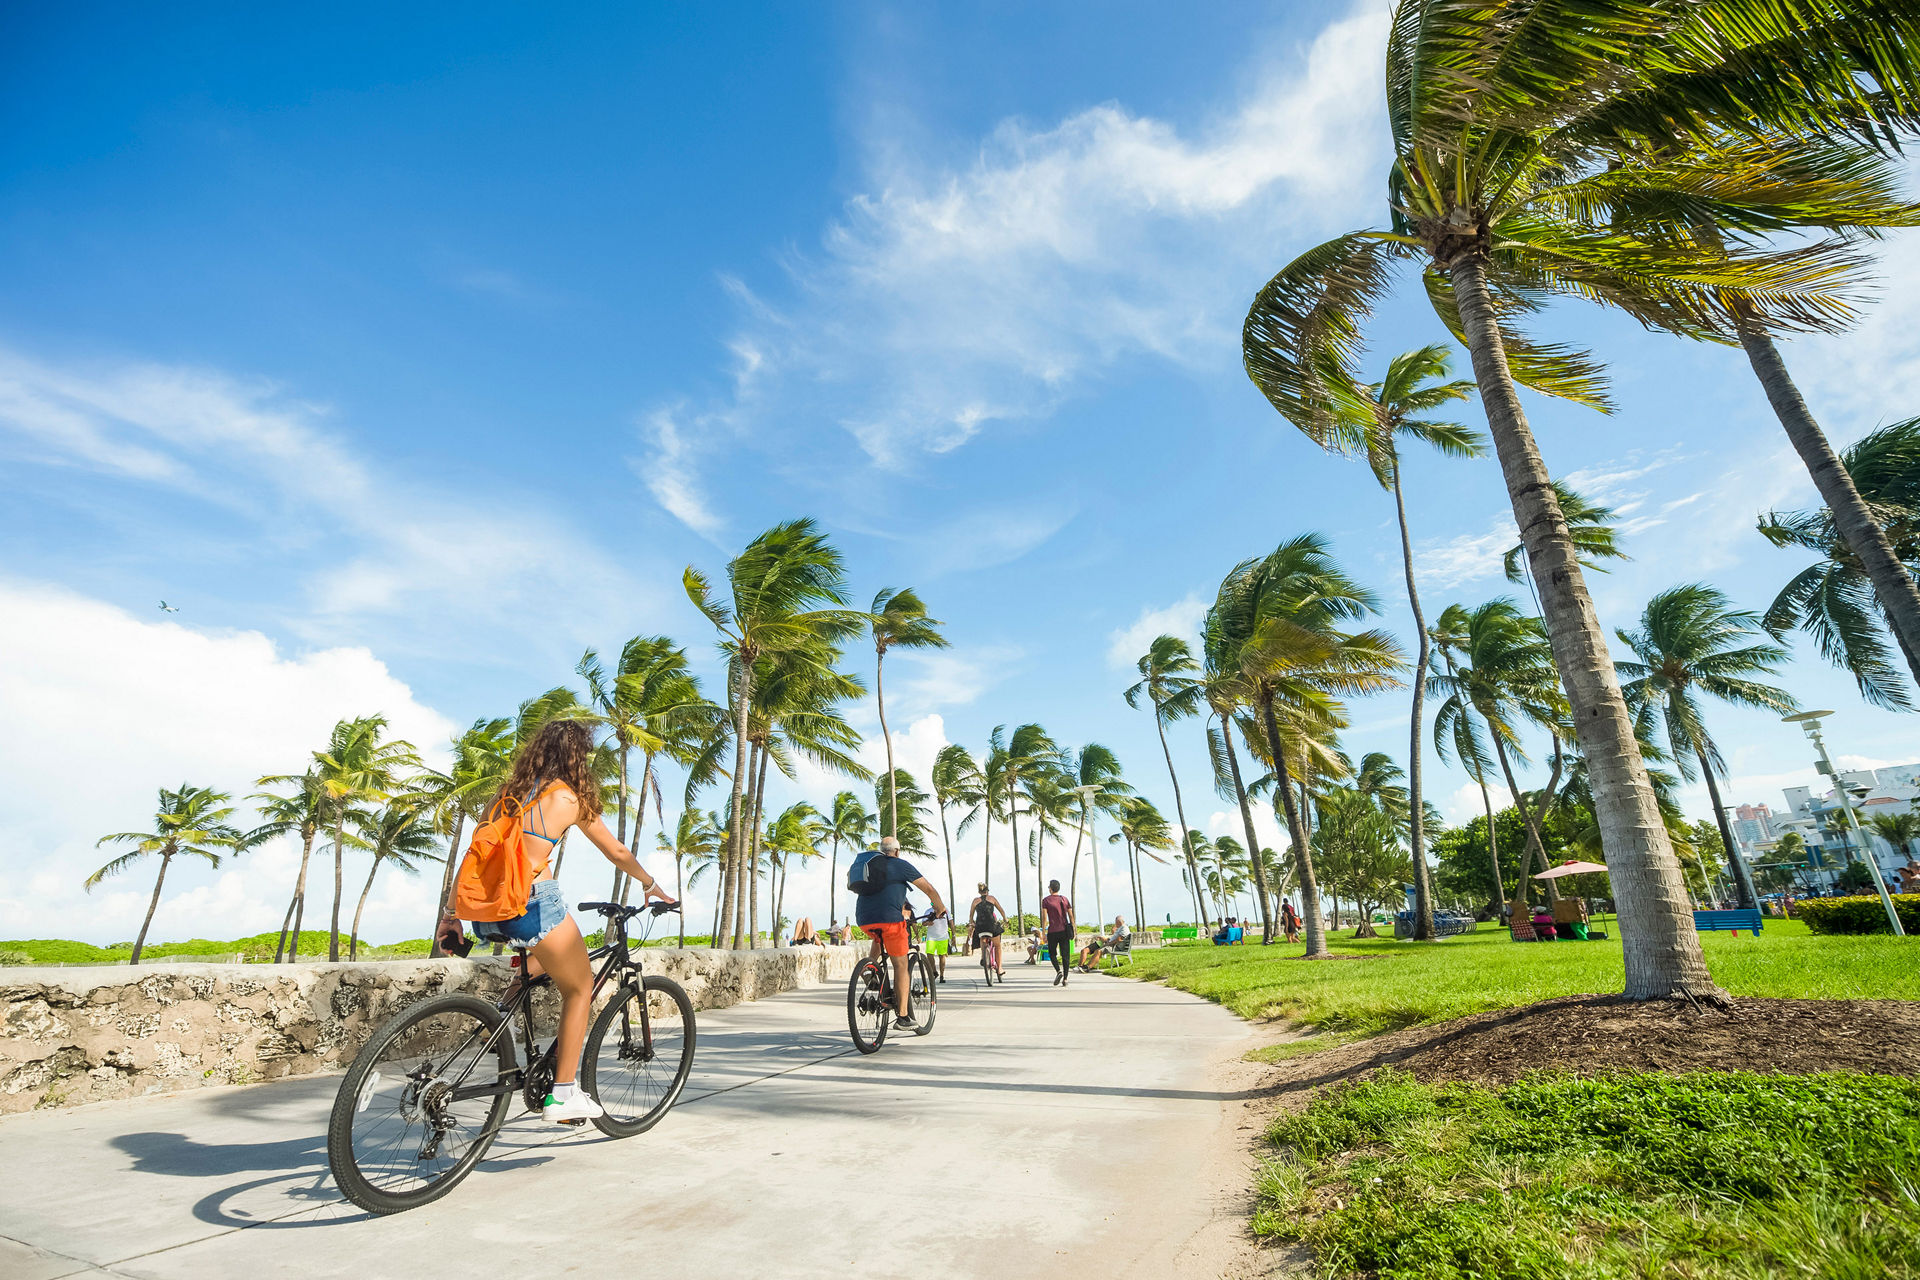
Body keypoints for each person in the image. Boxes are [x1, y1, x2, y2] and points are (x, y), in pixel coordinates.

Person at [437, 719, 673, 1125]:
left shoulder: (505, 795)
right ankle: (564, 1094)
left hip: (487, 910)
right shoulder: (569, 797)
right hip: (531, 903)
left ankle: (499, 1015)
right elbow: (615, 851)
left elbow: (475, 854)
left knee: (547, 959)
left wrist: (452, 915)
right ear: (577, 756)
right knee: (580, 987)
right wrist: (651, 885)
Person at [847, 836, 947, 1026]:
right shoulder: (900, 865)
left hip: (864, 920)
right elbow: (929, 889)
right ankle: (902, 1016)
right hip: (891, 921)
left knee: (879, 936)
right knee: (900, 964)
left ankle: (869, 969)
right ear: (897, 851)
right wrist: (939, 908)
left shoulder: (870, 865)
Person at [1041, 879, 1075, 986]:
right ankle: (1065, 979)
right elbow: (1070, 915)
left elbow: (1044, 918)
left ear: (1050, 889)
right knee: (1065, 955)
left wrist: (1043, 933)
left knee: (1052, 953)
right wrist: (1074, 929)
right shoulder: (1064, 899)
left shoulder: (1046, 900)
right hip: (1064, 931)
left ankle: (1058, 971)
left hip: (1053, 931)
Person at [968, 883, 1007, 978]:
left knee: (981, 936)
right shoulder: (992, 898)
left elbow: (971, 916)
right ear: (987, 891)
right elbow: (1001, 910)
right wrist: (1005, 919)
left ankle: (983, 956)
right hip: (991, 925)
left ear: (979, 892)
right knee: (997, 946)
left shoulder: (975, 901)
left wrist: (972, 923)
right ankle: (1000, 968)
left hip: (980, 926)